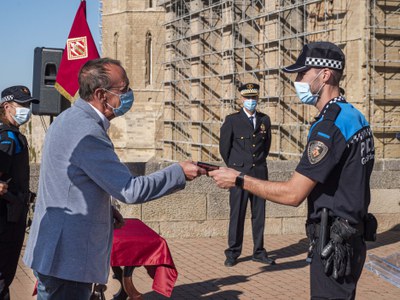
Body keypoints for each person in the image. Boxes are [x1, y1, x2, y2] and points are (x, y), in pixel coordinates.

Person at [23, 58, 205, 300]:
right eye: (124, 89)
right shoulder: (86, 129)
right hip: (67, 257)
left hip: (57, 251)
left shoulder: (69, 118)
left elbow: (70, 183)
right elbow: (129, 190)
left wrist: (104, 209)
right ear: (101, 94)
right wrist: (177, 172)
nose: (129, 94)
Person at [210, 42, 375, 299]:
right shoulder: (355, 116)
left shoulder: (329, 126)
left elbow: (293, 194)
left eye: (302, 74)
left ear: (325, 75)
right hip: (352, 237)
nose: (297, 81)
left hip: (334, 242)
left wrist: (239, 179)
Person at [219, 83, 274, 267]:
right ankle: (233, 252)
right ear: (241, 99)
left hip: (259, 173)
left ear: (258, 99)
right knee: (238, 214)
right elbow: (224, 149)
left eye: (254, 98)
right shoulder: (232, 120)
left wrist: (255, 165)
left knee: (259, 214)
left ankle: (259, 251)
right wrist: (235, 168)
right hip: (239, 175)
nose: (251, 101)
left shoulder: (265, 120)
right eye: (248, 98)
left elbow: (265, 148)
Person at [0, 86, 39, 300]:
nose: (27, 109)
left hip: (12, 214)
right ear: (7, 106)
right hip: (7, 219)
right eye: (22, 105)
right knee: (3, 278)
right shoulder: (7, 138)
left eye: (28, 104)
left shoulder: (12, 135)